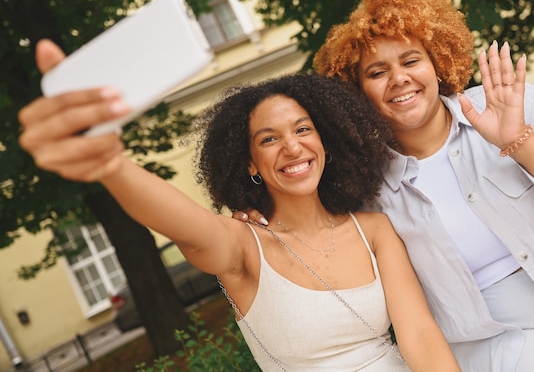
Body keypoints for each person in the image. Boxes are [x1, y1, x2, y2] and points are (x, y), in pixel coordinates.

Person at [242, 0, 534, 371]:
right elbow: (315, 228)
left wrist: (520, 142)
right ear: (357, 92)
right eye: (377, 72)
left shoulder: (512, 107)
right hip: (501, 344)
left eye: (411, 61)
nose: (399, 79)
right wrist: (261, 218)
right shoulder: (363, 186)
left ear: (437, 62)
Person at [18, 39, 462, 371]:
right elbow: (184, 223)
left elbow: (420, 335)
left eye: (303, 129)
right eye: (269, 139)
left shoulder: (374, 230)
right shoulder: (243, 248)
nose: (292, 147)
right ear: (250, 162)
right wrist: (111, 164)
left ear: (325, 140)